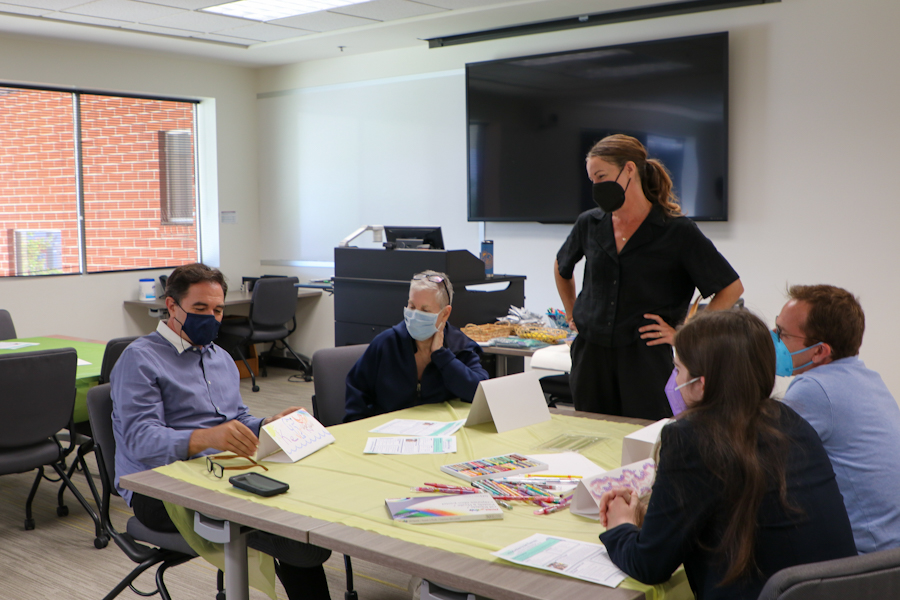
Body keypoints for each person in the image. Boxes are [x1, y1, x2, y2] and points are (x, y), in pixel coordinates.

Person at [598, 310, 856, 600]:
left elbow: (649, 564)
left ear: (701, 384)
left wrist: (621, 524)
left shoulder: (690, 438)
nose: (674, 379)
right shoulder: (790, 421)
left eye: (678, 369)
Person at [111, 263, 332, 600]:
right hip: (157, 489)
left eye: (217, 310)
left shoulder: (221, 358)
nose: (211, 318)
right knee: (291, 534)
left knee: (293, 506)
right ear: (172, 306)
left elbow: (237, 418)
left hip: (218, 472)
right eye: (200, 308)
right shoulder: (139, 360)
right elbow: (140, 441)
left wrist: (267, 424)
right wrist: (206, 438)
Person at [554, 134, 743, 419]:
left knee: (644, 435)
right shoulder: (589, 223)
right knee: (590, 432)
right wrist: (572, 313)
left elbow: (731, 288)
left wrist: (686, 335)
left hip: (645, 359)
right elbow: (561, 266)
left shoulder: (677, 231)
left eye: (601, 176)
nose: (596, 186)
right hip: (590, 357)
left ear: (629, 169)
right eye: (592, 179)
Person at [777, 284, 900, 554]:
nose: (773, 340)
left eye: (782, 333)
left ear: (820, 351)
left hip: (870, 561)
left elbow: (762, 459)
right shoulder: (866, 377)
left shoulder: (813, 388)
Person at [344, 270, 489, 422]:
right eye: (412, 306)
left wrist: (442, 356)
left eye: (425, 310)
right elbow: (356, 391)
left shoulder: (461, 346)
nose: (414, 316)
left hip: (440, 429)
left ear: (445, 314)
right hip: (388, 430)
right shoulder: (386, 343)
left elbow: (479, 393)